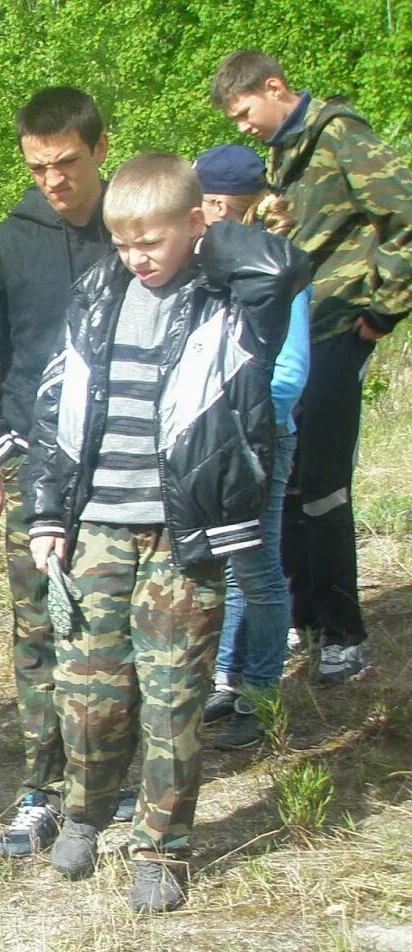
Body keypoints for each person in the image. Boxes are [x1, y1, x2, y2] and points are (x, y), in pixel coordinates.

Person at [28, 153, 308, 913]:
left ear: (194, 223)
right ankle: (85, 813)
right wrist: (48, 515)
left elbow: (283, 267)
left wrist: (210, 236)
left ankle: (161, 847)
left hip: (185, 536)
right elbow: (54, 410)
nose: (137, 258)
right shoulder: (96, 295)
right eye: (123, 242)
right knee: (89, 696)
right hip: (95, 530)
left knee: (173, 698)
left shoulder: (231, 302)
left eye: (151, 241)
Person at [0, 87, 133, 858]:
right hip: (39, 473)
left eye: (67, 162)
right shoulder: (3, 247)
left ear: (100, 148)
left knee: (121, 629)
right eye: (37, 166)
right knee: (41, 630)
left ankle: (114, 779)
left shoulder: (136, 230)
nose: (53, 179)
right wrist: (5, 453)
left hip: (128, 467)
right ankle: (41, 788)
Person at [212, 50, 412, 683]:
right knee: (290, 482)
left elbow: (404, 214)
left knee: (322, 486)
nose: (243, 126)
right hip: (296, 334)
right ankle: (303, 618)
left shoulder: (339, 134)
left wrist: (382, 311)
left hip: (336, 331)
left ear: (275, 87)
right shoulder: (286, 151)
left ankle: (342, 633)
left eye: (245, 111)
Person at [192, 145, 312, 751]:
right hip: (219, 439)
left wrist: (240, 411)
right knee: (235, 564)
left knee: (259, 570)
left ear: (219, 206)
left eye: (198, 204)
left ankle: (260, 696)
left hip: (263, 437)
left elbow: (290, 374)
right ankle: (228, 680)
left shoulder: (275, 265)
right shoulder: (212, 267)